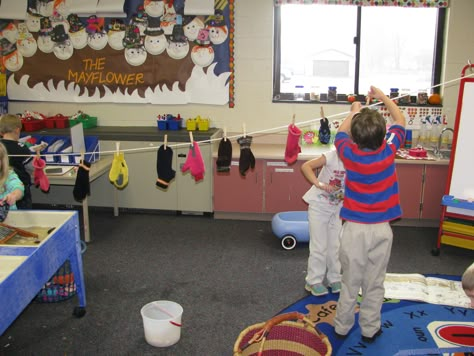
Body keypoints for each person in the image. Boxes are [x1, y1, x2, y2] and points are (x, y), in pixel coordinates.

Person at [333, 86, 406, 343]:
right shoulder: (388, 152)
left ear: (355, 137)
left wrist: (354, 112)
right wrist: (383, 97)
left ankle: (342, 327)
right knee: (375, 282)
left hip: (354, 229)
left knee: (350, 281)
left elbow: (339, 134)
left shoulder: (348, 153)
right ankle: (369, 328)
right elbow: (400, 120)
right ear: (383, 135)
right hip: (381, 230)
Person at [301, 149, 345, 296]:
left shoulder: (358, 159)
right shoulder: (333, 155)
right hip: (319, 206)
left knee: (335, 245)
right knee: (319, 246)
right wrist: (318, 183)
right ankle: (313, 281)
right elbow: (306, 166)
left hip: (337, 208)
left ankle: (335, 278)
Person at [0, 114, 34, 209]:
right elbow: (31, 167)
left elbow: (17, 189)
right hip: (22, 188)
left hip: (16, 189)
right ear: (17, 130)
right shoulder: (21, 148)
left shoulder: (1, 146)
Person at [0, 141, 25, 210]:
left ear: (2, 161)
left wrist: (13, 195)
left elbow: (18, 187)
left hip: (9, 218)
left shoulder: (9, 175)